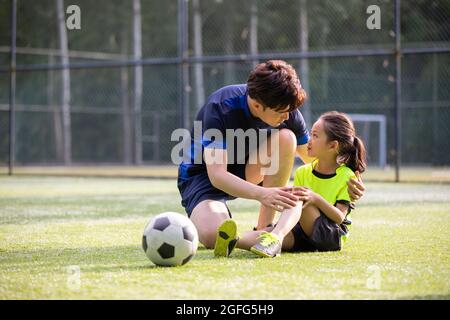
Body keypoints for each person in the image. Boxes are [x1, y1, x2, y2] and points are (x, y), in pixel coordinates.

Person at [176, 60, 365, 256]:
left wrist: (350, 179)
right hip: (202, 177)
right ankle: (225, 223)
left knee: (286, 137)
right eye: (282, 113)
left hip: (247, 170)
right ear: (257, 105)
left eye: (289, 111)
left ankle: (264, 229)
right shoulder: (220, 107)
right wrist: (263, 193)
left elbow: (316, 159)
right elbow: (217, 176)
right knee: (211, 236)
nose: (287, 117)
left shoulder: (286, 108)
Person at [224, 111, 366, 257]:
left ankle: (276, 238)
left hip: (330, 234)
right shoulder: (303, 172)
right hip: (302, 231)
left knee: (299, 198)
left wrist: (315, 199)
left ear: (332, 146)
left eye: (315, 136)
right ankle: (233, 241)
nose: (309, 140)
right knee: (267, 232)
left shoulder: (346, 176)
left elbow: (339, 218)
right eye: (311, 134)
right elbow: (295, 211)